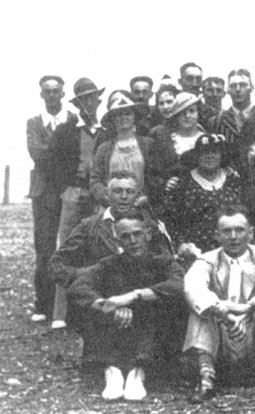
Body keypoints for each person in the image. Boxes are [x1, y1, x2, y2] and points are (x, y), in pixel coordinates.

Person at [67, 208, 184, 401]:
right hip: (116, 329)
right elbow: (78, 287)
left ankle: (138, 372)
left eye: (137, 234)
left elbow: (178, 284)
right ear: (118, 241)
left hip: (151, 331)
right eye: (125, 236)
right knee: (89, 305)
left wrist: (134, 296)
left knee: (165, 305)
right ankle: (112, 371)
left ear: (147, 234)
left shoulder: (163, 262)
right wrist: (108, 306)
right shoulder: (109, 264)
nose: (133, 241)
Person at [183, 205, 255, 401]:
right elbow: (192, 287)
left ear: (250, 233)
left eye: (239, 230)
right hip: (221, 341)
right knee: (201, 308)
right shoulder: (207, 260)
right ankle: (206, 377)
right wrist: (223, 313)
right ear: (217, 235)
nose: (233, 236)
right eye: (227, 231)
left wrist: (251, 306)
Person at [50, 171, 174, 339]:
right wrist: (85, 275)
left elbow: (167, 263)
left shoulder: (149, 226)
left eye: (130, 192)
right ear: (107, 194)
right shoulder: (90, 226)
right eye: (117, 191)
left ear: (138, 195)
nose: (124, 197)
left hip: (144, 307)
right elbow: (56, 264)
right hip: (104, 308)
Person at [27, 75, 75, 325]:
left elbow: (75, 153)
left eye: (56, 91)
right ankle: (44, 304)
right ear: (41, 95)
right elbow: (37, 153)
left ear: (63, 94)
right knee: (45, 248)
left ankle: (68, 306)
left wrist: (56, 155)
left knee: (70, 245)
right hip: (44, 191)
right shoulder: (34, 123)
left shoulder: (73, 120)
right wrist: (61, 154)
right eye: (48, 91)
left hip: (68, 189)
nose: (52, 95)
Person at [48, 77, 107, 268]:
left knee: (98, 242)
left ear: (98, 100)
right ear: (77, 104)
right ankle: (65, 287)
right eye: (83, 99)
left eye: (92, 98)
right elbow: (53, 164)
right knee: (68, 244)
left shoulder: (106, 131)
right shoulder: (65, 131)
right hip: (74, 194)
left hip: (99, 195)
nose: (88, 103)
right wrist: (65, 189)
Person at [163, 134, 243, 255]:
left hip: (232, 243)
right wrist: (181, 244)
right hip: (196, 249)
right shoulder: (183, 183)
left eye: (214, 152)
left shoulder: (233, 180)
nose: (210, 156)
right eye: (204, 152)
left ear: (221, 155)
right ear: (196, 156)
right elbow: (172, 220)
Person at [90, 91, 161, 208]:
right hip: (111, 205)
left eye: (128, 114)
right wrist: (107, 196)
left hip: (141, 204)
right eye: (118, 115)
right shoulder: (104, 148)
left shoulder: (148, 144)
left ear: (134, 117)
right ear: (113, 119)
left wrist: (147, 197)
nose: (123, 118)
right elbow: (95, 180)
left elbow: (158, 176)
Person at [207, 69, 255, 177]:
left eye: (243, 85)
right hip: (227, 180)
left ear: (251, 88)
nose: (238, 89)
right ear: (228, 90)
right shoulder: (216, 121)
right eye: (233, 86)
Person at [151, 92, 207, 197]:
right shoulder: (167, 141)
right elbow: (155, 171)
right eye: (182, 113)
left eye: (192, 111)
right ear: (176, 116)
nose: (187, 116)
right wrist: (165, 183)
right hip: (175, 194)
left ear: (198, 113)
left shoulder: (205, 139)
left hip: (204, 193)